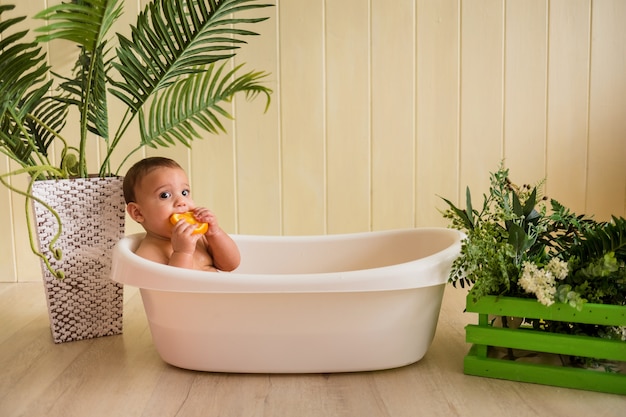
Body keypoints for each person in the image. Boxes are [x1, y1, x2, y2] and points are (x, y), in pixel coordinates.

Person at [123, 157, 240, 272]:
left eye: (185, 192)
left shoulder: (198, 238)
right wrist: (182, 253)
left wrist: (215, 233)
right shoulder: (148, 254)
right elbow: (174, 289)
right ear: (137, 212)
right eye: (165, 195)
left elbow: (230, 265)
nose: (181, 201)